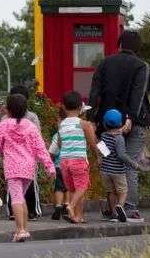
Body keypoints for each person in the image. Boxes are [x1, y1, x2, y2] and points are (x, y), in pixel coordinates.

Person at [88, 29, 150, 222]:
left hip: (105, 124)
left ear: (119, 44)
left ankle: (112, 208)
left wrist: (92, 118)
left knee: (107, 159)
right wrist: (130, 117)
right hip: (135, 124)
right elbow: (138, 93)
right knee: (129, 163)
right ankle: (129, 209)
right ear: (138, 48)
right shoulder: (141, 66)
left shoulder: (105, 63)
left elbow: (94, 91)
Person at [0, 93, 56, 243]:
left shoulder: (4, 125)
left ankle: (20, 230)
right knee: (21, 197)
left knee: (16, 198)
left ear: (8, 109)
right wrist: (49, 167)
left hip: (12, 167)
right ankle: (24, 229)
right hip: (29, 167)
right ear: (25, 109)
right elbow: (40, 148)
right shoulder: (31, 126)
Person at [52, 91, 99, 224]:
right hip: (78, 160)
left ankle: (77, 216)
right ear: (80, 107)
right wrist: (98, 157)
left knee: (73, 189)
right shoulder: (84, 124)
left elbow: (59, 143)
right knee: (82, 187)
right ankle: (71, 206)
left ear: (63, 107)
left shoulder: (61, 124)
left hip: (64, 161)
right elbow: (93, 143)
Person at [3, 85, 43, 220]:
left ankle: (15, 212)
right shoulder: (32, 117)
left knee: (14, 186)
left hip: (12, 159)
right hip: (28, 159)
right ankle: (30, 211)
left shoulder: (6, 119)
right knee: (29, 185)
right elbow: (38, 137)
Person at [99, 108, 143, 223]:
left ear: (104, 123)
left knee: (111, 191)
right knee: (123, 191)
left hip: (105, 170)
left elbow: (102, 150)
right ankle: (120, 206)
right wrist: (133, 164)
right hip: (118, 171)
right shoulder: (119, 138)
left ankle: (113, 213)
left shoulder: (103, 136)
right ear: (120, 124)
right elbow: (121, 155)